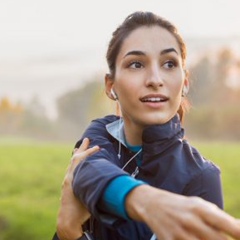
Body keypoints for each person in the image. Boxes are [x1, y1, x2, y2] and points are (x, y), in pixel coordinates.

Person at [53, 11, 240, 240]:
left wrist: (70, 232)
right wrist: (146, 201)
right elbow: (89, 169)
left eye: (169, 64)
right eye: (136, 64)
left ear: (185, 82)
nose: (155, 79)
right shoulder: (101, 131)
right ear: (111, 85)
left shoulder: (202, 177)